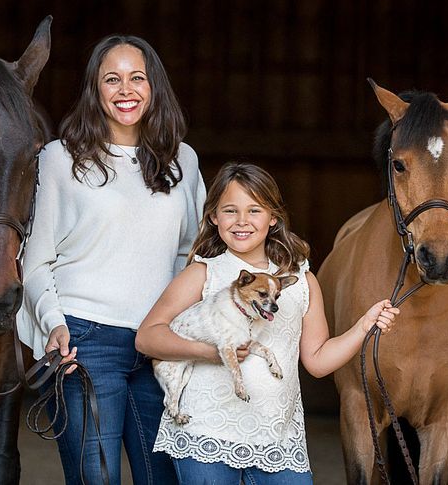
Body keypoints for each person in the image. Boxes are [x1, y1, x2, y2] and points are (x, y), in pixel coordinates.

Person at [16, 34, 206, 485]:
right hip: (86, 341)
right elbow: (36, 260)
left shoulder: (183, 161)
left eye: (137, 78)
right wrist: (52, 324)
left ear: (154, 87)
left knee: (164, 478)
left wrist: (182, 326)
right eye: (112, 79)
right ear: (95, 90)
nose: (126, 90)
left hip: (160, 343)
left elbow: (192, 254)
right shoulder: (61, 159)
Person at [135, 162, 398, 484]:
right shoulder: (203, 274)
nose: (242, 221)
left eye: (254, 210)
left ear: (273, 218)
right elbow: (147, 337)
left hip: (277, 435)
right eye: (230, 211)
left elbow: (317, 362)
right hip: (207, 429)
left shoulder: (301, 281)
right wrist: (208, 352)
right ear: (214, 217)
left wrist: (363, 326)